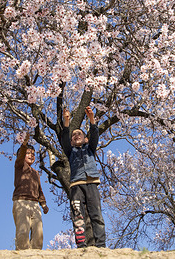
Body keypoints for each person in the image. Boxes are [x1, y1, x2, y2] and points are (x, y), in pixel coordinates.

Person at [61, 106, 106, 248]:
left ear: (85, 139)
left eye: (79, 133)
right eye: (74, 135)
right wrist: (66, 121)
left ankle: (101, 245)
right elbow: (65, 139)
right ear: (72, 141)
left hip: (92, 183)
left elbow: (95, 134)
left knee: (96, 215)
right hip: (76, 185)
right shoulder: (70, 152)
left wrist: (92, 118)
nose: (76, 135)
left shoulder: (90, 149)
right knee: (78, 216)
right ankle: (81, 245)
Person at [12, 132, 49, 250]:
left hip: (35, 204)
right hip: (21, 201)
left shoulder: (35, 173)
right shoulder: (19, 165)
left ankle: (36, 254)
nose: (31, 155)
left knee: (38, 232)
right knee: (23, 232)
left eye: (33, 154)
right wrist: (24, 144)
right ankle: (22, 254)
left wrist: (43, 204)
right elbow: (21, 155)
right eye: (28, 153)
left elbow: (39, 190)